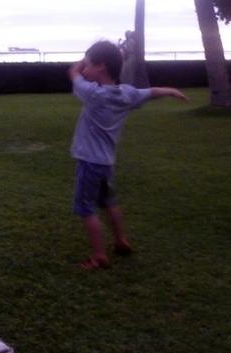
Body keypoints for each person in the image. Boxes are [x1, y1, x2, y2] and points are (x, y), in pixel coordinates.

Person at [68, 40, 188, 270]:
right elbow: (151, 92)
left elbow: (72, 72)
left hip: (89, 163)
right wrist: (171, 91)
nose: (85, 68)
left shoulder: (92, 94)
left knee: (86, 209)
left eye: (89, 64)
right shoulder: (127, 94)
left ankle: (99, 256)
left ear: (101, 66)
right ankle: (121, 241)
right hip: (106, 163)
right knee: (109, 202)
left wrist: (86, 58)